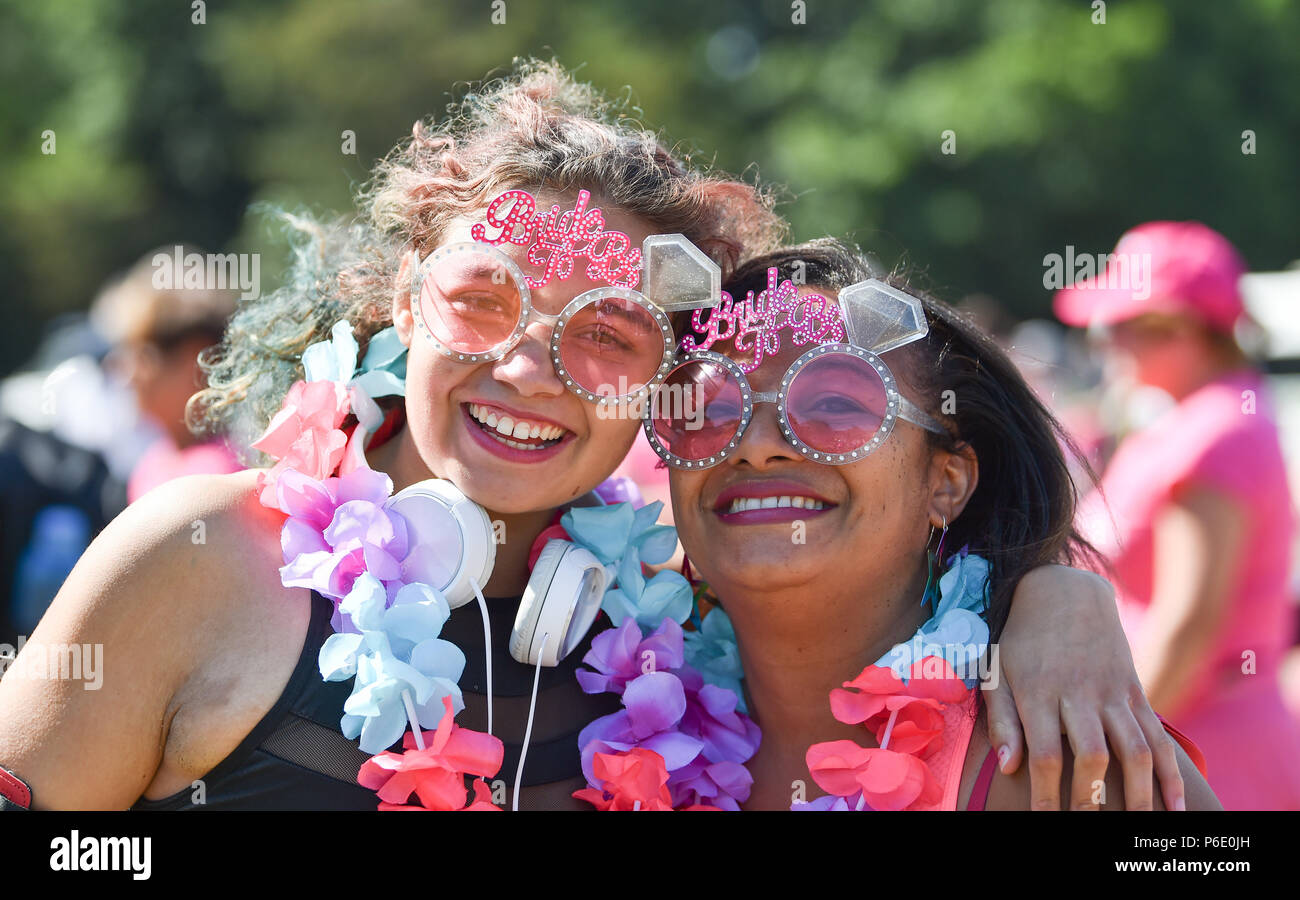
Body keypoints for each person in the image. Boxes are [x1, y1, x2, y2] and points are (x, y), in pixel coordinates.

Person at [0, 63, 1182, 811]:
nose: (529, 366)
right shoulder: (198, 556)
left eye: (606, 331)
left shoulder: (663, 634)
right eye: (482, 300)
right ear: (401, 303)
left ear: (660, 387)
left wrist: (1050, 597)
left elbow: (872, 571)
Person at [642, 240, 1218, 809]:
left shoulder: (1058, 771)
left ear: (945, 484)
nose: (756, 447)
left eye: (835, 405)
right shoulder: (600, 701)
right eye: (709, 408)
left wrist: (1060, 585)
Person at [1055, 221, 1300, 810]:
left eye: (1119, 327)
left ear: (1178, 328)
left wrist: (1105, 766)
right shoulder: (1190, 420)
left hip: (1206, 756)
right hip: (1188, 745)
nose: (1104, 343)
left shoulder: (1219, 432)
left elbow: (1190, 626)